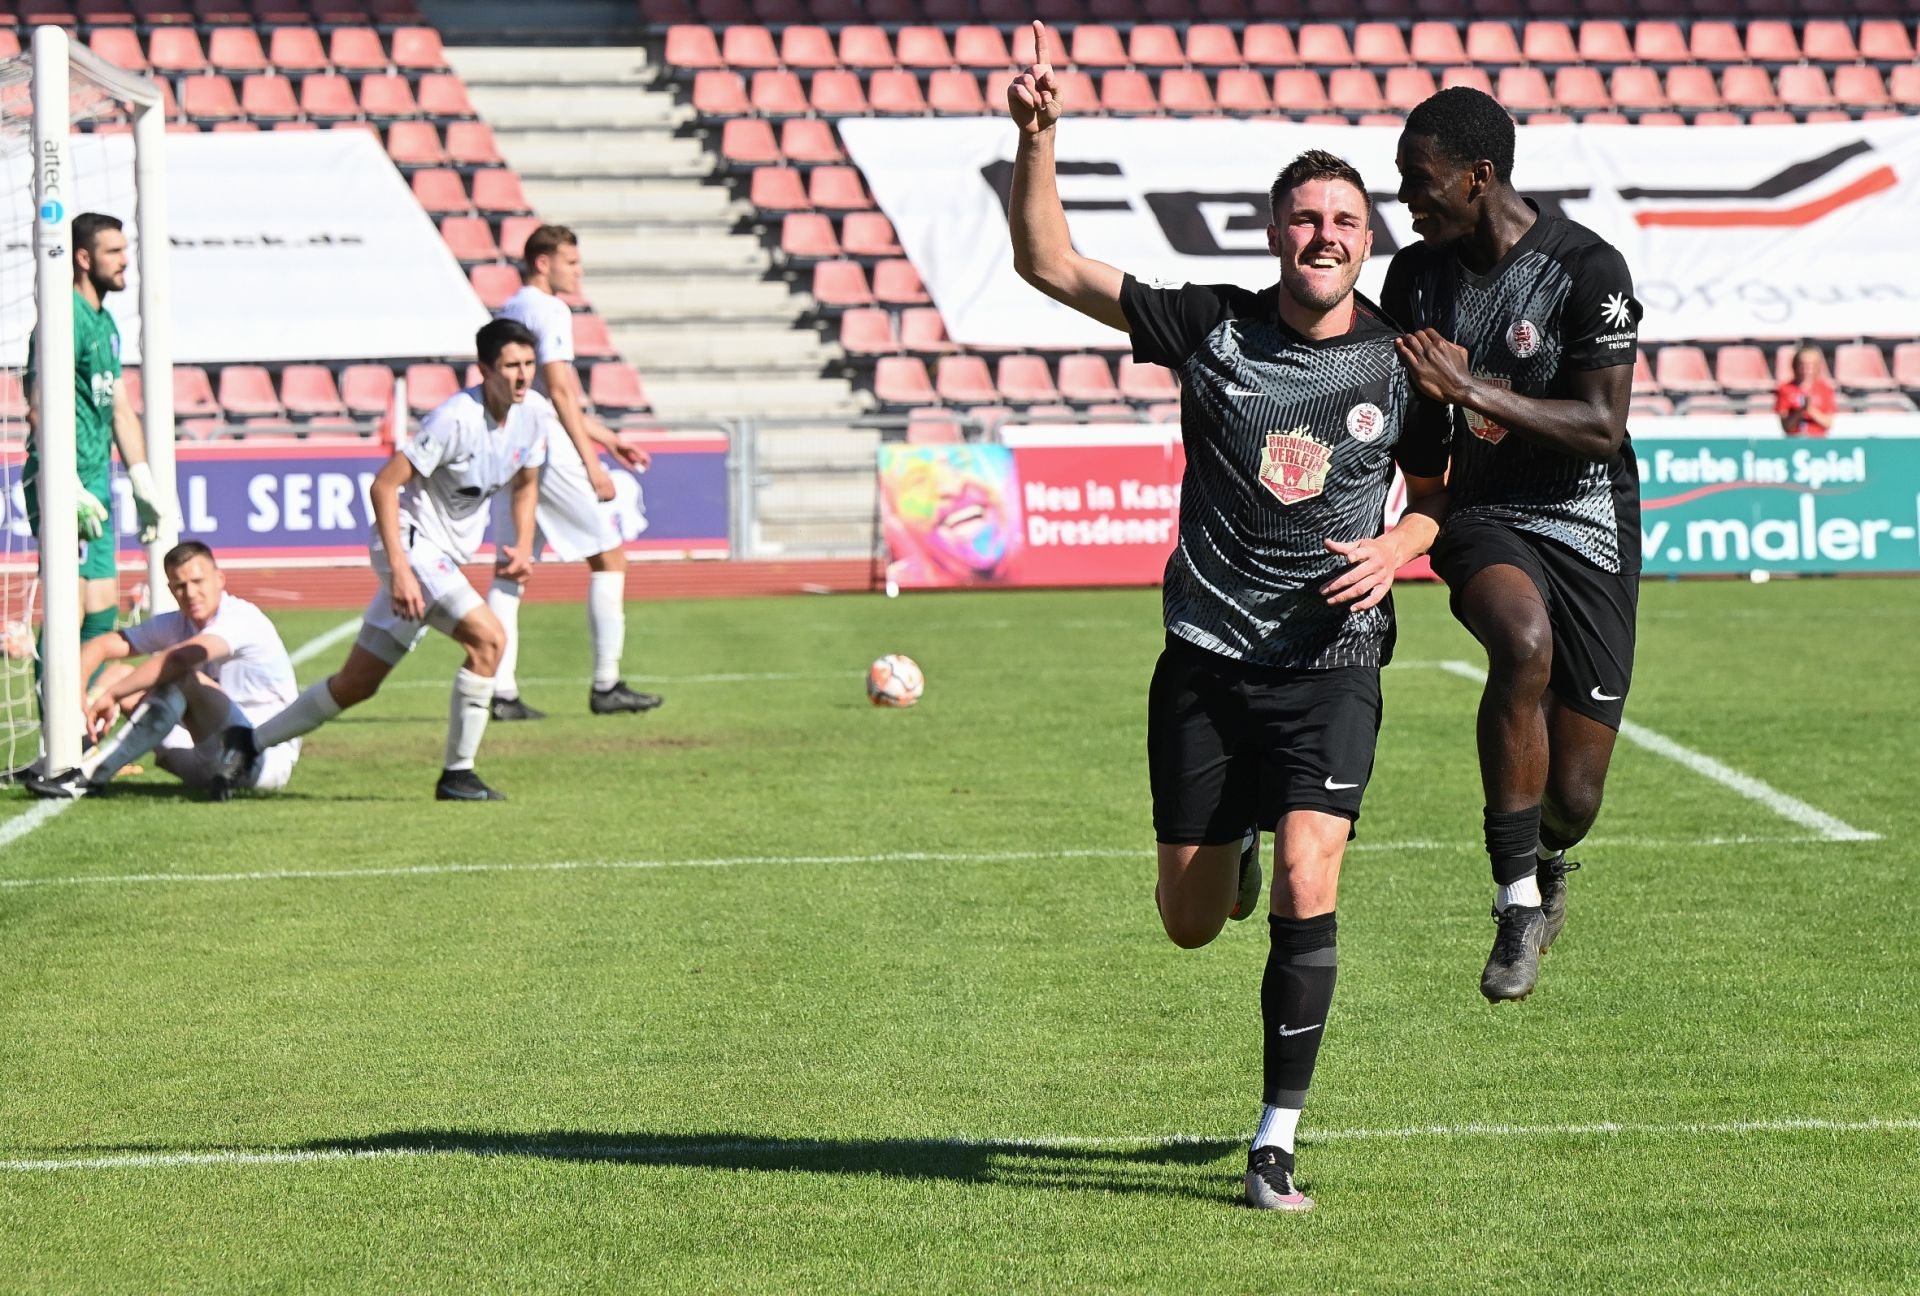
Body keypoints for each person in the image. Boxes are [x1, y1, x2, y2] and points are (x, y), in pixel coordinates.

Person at [1007, 22, 1450, 1213]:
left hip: (1333, 663)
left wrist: (1405, 541)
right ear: (1275, 234)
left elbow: (1458, 495)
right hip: (1205, 661)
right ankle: (1227, 848)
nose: (1326, 237)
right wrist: (1037, 136)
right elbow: (1050, 265)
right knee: (1192, 924)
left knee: (1319, 875)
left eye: (1347, 222)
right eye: (1307, 219)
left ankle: (1274, 1143)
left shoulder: (1406, 364)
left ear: (1370, 241)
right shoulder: (1211, 326)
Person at [1383, 87, 1644, 1003]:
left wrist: (1475, 391)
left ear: (1478, 176)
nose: (1405, 202)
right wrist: (1414, 510)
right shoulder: (1414, 278)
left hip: (1587, 518)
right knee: (1520, 640)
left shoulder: (1586, 268)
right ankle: (1515, 901)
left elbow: (1602, 425)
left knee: (1574, 800)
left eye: (1418, 183)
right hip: (1483, 513)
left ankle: (1546, 857)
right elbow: (1419, 422)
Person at [218, 319, 548, 801]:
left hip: (441, 558)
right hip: (410, 545)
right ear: (484, 370)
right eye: (511, 366)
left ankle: (247, 741)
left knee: (356, 684)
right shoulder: (454, 419)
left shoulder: (534, 414)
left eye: (529, 365)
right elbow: (383, 484)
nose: (522, 376)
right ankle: (458, 774)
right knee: (489, 639)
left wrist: (519, 543)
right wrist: (400, 571)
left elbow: (527, 482)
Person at [488, 224, 661, 721]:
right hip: (551, 450)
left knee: (512, 567)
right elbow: (560, 392)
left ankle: (499, 693)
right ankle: (607, 684)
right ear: (544, 262)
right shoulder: (550, 310)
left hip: (512, 443)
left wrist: (610, 438)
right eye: (571, 262)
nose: (577, 272)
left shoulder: (512, 308)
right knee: (610, 559)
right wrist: (592, 464)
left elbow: (536, 392)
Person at [22, 541, 297, 800]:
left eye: (198, 582)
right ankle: (70, 754)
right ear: (170, 588)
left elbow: (178, 659)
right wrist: (85, 699)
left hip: (259, 758)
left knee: (182, 677)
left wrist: (114, 696)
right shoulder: (178, 622)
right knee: (117, 674)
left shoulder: (241, 618)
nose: (190, 593)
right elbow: (102, 646)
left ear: (219, 580)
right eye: (180, 585)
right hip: (202, 757)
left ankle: (91, 777)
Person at [24, 212, 179, 653]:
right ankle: (53, 718)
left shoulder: (105, 324)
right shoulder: (62, 318)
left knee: (103, 607)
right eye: (114, 252)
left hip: (94, 477)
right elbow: (38, 410)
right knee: (67, 608)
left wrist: (143, 480)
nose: (125, 260)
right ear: (84, 258)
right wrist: (66, 482)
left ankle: (81, 709)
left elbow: (120, 408)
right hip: (62, 477)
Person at [1776, 346, 1836, 438]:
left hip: (1818, 439)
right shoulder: (1785, 389)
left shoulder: (1824, 388)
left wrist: (1810, 410)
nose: (1806, 369)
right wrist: (1800, 412)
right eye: (1802, 365)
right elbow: (1786, 426)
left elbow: (1828, 423)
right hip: (1794, 440)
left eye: (1810, 365)